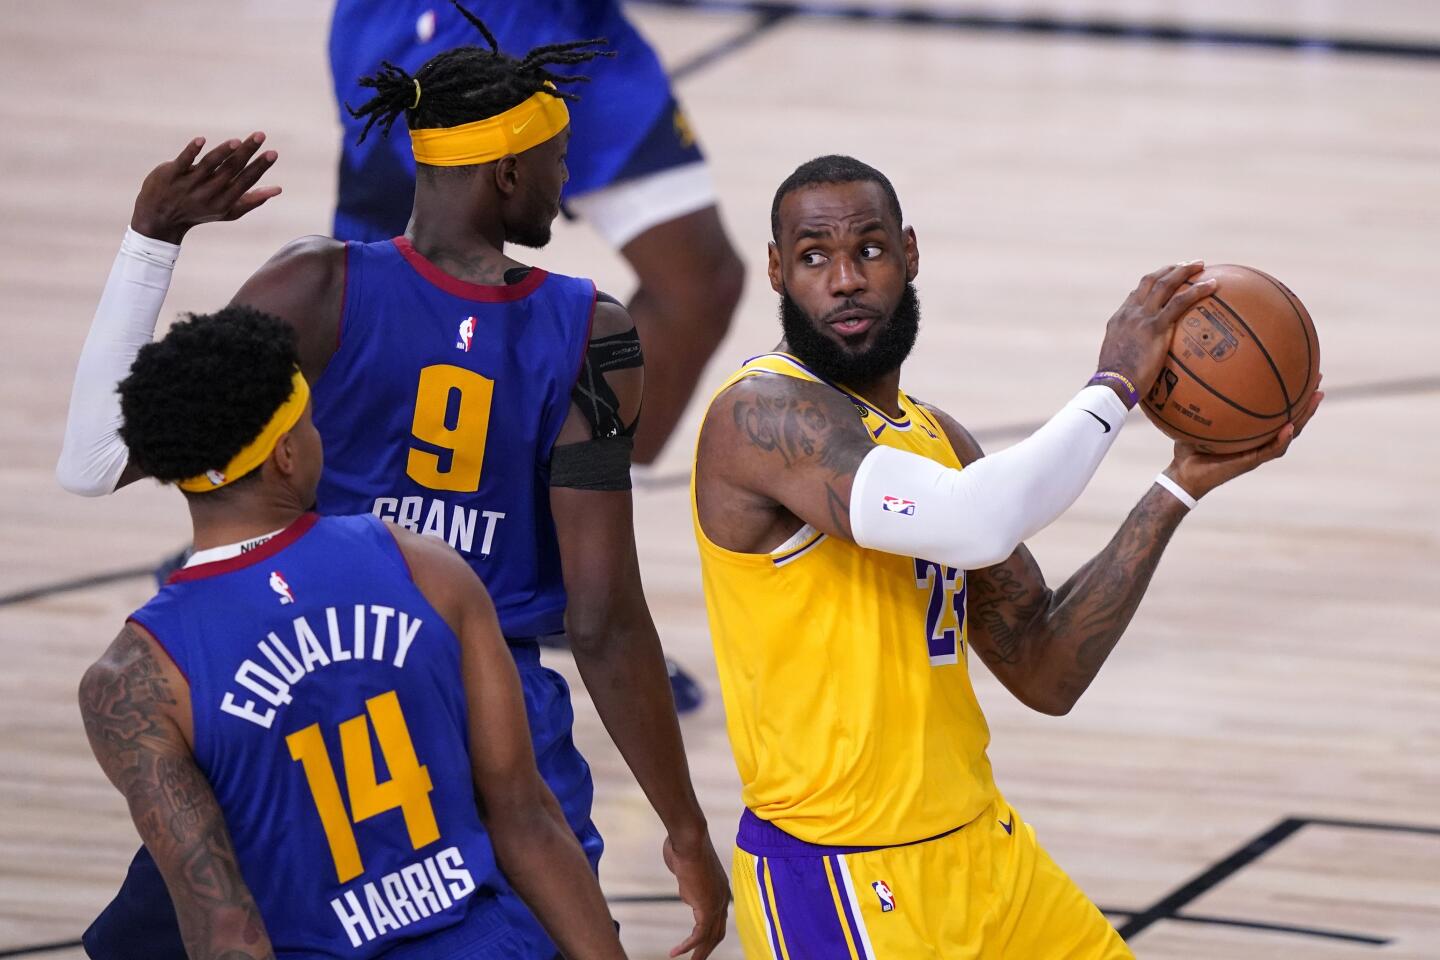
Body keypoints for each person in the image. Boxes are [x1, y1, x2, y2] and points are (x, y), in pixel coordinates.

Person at [57, 13, 727, 960]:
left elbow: (96, 459)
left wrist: (152, 240)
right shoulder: (591, 331)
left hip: (302, 692)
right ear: (505, 175)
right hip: (489, 715)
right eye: (557, 160)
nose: (566, 185)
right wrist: (685, 826)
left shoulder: (313, 287)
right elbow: (605, 616)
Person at [690, 155, 1323, 958]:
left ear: (911, 255)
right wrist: (1113, 385)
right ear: (778, 271)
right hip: (842, 880)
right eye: (815, 256)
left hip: (985, 849)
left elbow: (1043, 669)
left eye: (871, 251)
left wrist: (1176, 489)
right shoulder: (758, 417)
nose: (845, 279)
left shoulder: (938, 438)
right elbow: (975, 522)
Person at [80, 307, 627, 959]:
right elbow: (529, 820)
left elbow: (225, 932)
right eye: (311, 422)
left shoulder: (136, 678)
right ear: (287, 453)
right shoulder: (424, 564)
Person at [329, 0, 745, 465]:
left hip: (575, 29)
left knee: (701, 285)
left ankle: (582, 488)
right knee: (398, 313)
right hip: (447, 28)